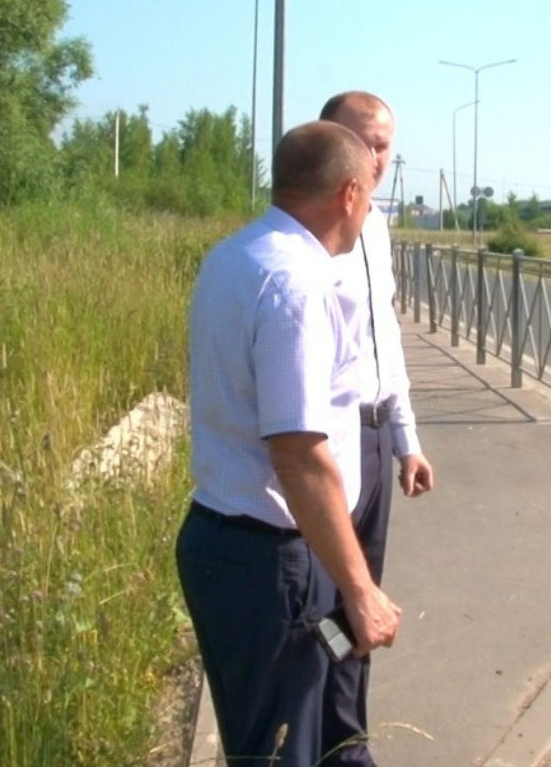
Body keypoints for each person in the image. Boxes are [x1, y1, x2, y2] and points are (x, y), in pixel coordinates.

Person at [175, 120, 402, 767]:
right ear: (350, 194)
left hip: (225, 541)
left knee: (267, 745)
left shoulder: (235, 255)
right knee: (282, 754)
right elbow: (299, 453)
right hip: (271, 564)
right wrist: (360, 589)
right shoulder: (298, 287)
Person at [316, 90, 435, 766]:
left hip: (369, 436)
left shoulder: (379, 228)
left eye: (385, 144)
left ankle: (345, 741)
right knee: (328, 598)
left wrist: (405, 439)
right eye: (364, 142)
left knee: (360, 605)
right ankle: (309, 739)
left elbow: (383, 337)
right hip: (320, 445)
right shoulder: (305, 235)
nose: (376, 158)